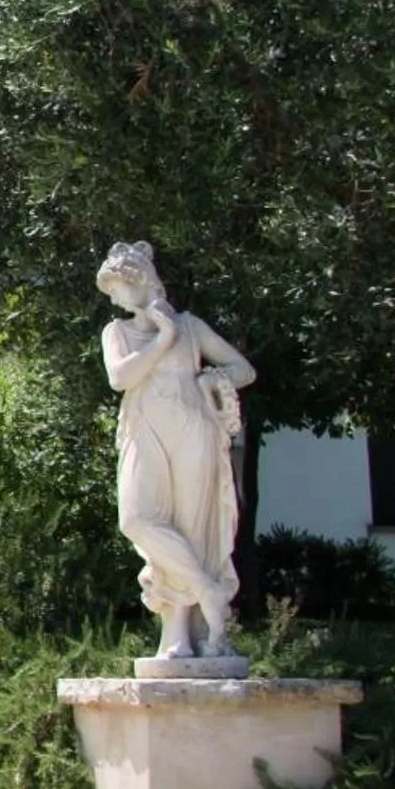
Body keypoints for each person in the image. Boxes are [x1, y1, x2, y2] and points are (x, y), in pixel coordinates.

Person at [96, 240, 255, 661]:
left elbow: (244, 369)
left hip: (192, 430)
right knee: (137, 519)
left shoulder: (191, 327)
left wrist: (211, 380)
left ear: (140, 282)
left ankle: (180, 636)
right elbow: (120, 377)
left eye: (116, 288)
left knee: (189, 528)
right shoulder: (117, 332)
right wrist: (163, 337)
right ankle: (207, 591)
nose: (114, 299)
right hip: (143, 429)